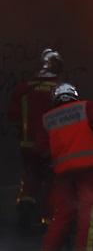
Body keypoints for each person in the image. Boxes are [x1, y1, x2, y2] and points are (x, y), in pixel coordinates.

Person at [38, 83, 93, 251]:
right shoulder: (86, 107)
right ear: (73, 95)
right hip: (89, 169)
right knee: (90, 210)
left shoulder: (47, 118)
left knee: (63, 212)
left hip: (63, 173)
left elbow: (42, 147)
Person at [6, 49, 64, 229]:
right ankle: (48, 217)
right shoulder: (60, 89)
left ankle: (25, 204)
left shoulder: (23, 89)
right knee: (52, 179)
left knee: (31, 175)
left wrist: (23, 133)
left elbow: (13, 117)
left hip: (28, 144)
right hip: (52, 145)